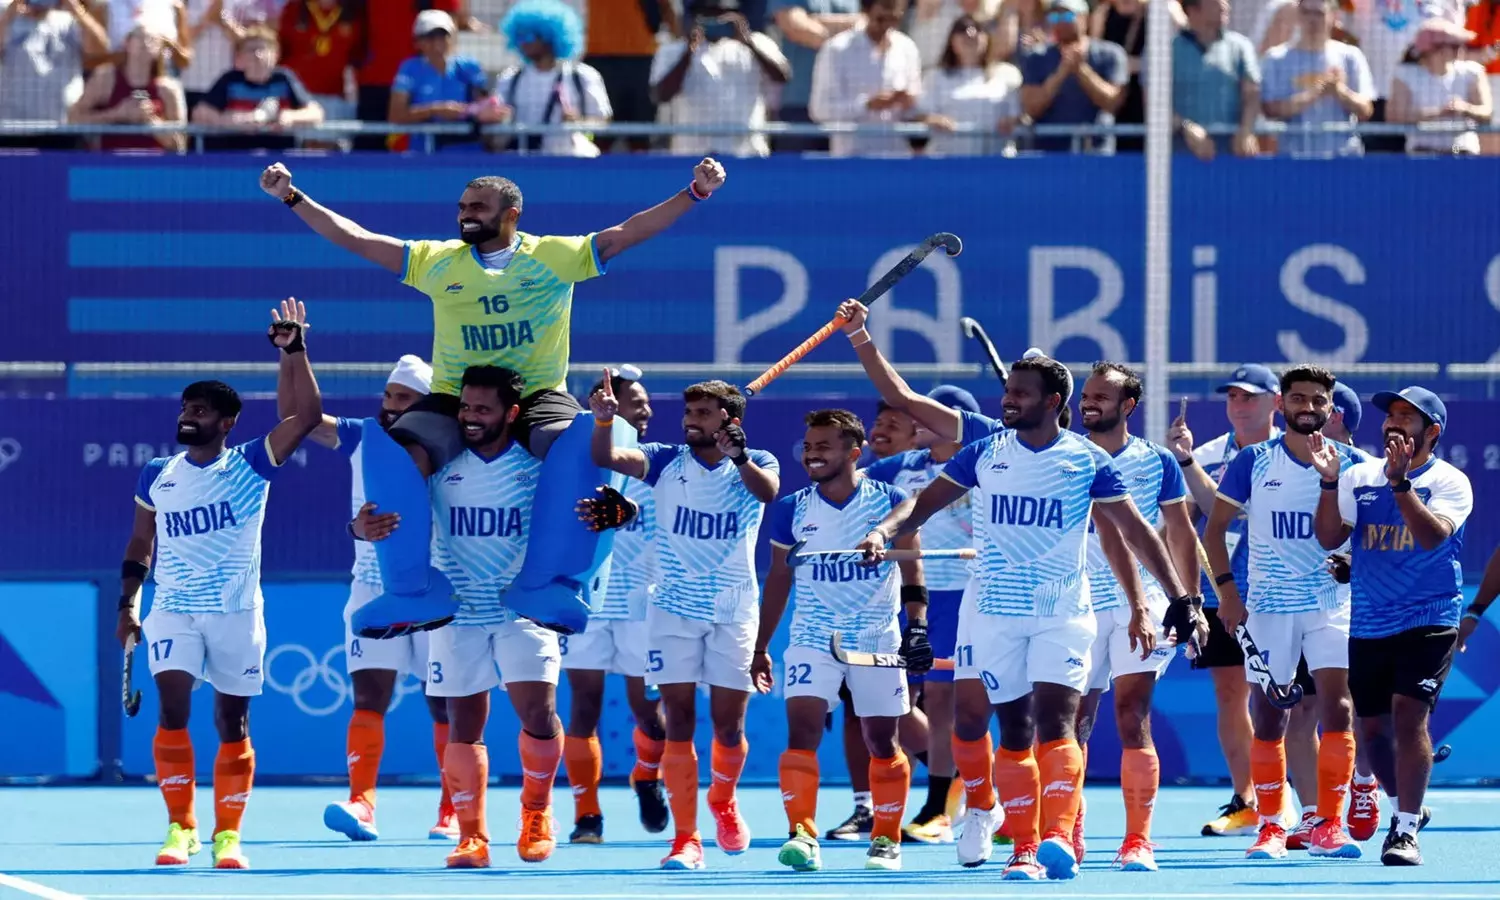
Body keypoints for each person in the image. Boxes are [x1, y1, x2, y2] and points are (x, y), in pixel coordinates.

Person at [258, 156, 728, 638]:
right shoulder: (435, 261)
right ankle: (411, 594)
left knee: (591, 440)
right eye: (462, 206)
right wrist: (293, 197)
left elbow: (626, 233)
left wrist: (694, 193)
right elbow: (354, 237)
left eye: (478, 207)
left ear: (511, 214)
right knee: (387, 447)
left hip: (538, 393)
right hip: (455, 395)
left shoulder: (552, 255)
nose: (465, 214)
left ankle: (549, 586)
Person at [857, 352, 1203, 880]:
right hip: (994, 615)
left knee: (1057, 725)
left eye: (1021, 392)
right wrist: (884, 531)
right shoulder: (983, 452)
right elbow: (923, 504)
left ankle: (1051, 840)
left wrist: (1181, 598)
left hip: (1062, 614)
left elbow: (1135, 531)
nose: (1008, 399)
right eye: (1008, 390)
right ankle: (1003, 825)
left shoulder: (1087, 459)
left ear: (1052, 401)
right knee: (1009, 731)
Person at [116, 299, 324, 869]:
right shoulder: (156, 474)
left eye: (201, 410)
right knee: (173, 709)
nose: (189, 415)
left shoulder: (253, 463)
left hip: (236, 612)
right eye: (186, 406)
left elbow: (305, 417)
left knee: (232, 721)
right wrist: (129, 604)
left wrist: (295, 349)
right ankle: (180, 827)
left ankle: (227, 834)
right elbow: (141, 544)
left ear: (226, 423)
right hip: (174, 609)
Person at [353, 365, 572, 869]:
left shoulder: (538, 467)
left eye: (483, 409)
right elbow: (384, 516)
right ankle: (473, 836)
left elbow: (583, 506)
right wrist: (358, 527)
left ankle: (537, 813)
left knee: (538, 715)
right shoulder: (434, 464)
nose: (471, 418)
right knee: (462, 726)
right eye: (465, 408)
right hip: (459, 613)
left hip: (522, 611)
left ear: (511, 414)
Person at [588, 378, 781, 871]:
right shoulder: (665, 459)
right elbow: (609, 459)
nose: (689, 419)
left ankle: (723, 799)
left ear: (728, 420)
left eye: (701, 412)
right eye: (689, 410)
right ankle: (686, 838)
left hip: (734, 611)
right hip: (672, 609)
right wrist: (605, 419)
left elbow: (769, 492)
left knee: (728, 726)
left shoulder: (758, 462)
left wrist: (739, 458)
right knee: (679, 723)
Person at [277, 355, 458, 842]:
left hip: (436, 590)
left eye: (404, 398)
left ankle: (452, 809)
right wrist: (292, 354)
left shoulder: (454, 446)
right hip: (372, 588)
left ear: (427, 405)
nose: (391, 406)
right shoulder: (362, 437)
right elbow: (299, 419)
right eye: (388, 395)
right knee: (368, 699)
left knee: (443, 704)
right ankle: (362, 804)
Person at [1203, 364, 1362, 861]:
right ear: (1282, 405)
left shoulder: (1355, 463)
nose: (1308, 407)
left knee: (1337, 709)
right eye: (1298, 398)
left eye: (1318, 401)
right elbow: (1214, 531)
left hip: (1330, 606)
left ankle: (1329, 824)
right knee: (1269, 715)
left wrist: (1350, 565)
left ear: (1330, 409)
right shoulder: (1253, 461)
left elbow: (1368, 538)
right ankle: (1272, 826)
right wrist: (1228, 594)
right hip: (1268, 606)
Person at [761, 409, 929, 873]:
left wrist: (916, 626)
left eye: (823, 447)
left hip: (876, 637)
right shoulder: (791, 509)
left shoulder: (889, 500)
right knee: (803, 732)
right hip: (812, 637)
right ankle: (802, 834)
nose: (812, 455)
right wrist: (760, 647)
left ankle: (885, 838)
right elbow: (778, 579)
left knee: (881, 740)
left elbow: (912, 564)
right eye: (808, 447)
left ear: (854, 453)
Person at [1312, 386, 1472, 866]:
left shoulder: (1450, 481)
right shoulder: (1358, 475)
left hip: (1430, 615)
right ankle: (1411, 803)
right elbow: (1329, 537)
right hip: (1369, 620)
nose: (1394, 423)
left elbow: (1430, 538)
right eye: (1391, 415)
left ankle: (1403, 831)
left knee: (1409, 717)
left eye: (1408, 416)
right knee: (1373, 729)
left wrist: (1401, 485)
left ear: (1433, 432)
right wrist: (1327, 483)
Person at [1073, 362, 1201, 872]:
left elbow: (1180, 534)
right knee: (1073, 722)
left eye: (1102, 396)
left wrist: (1188, 602)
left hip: (1139, 607)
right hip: (1072, 604)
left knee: (1132, 716)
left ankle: (1137, 841)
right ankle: (1067, 830)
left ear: (1128, 406)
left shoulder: (1158, 462)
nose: (1089, 403)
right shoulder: (1060, 455)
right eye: (1086, 394)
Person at [1165, 363, 1292, 837]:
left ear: (1275, 403)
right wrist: (1186, 592)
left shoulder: (1291, 452)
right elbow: (1188, 521)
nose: (1238, 405)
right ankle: (1247, 799)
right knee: (1230, 694)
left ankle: (1298, 801)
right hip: (1224, 592)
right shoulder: (1207, 453)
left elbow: (1235, 504)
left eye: (1250, 397)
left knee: (1287, 701)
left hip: (1282, 593)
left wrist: (1187, 464)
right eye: (1233, 397)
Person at [859, 385, 984, 845]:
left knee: (961, 699)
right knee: (907, 699)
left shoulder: (983, 464)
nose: (919, 416)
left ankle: (954, 805)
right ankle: (950, 796)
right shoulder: (901, 467)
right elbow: (853, 487)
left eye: (935, 413)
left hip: (967, 591)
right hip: (911, 595)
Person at [561, 366, 670, 843]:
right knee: (583, 707)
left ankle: (648, 774)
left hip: (643, 608)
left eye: (646, 402)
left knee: (648, 712)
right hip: (587, 603)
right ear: (603, 407)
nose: (645, 410)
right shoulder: (573, 464)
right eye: (635, 401)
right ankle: (588, 815)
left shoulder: (662, 465)